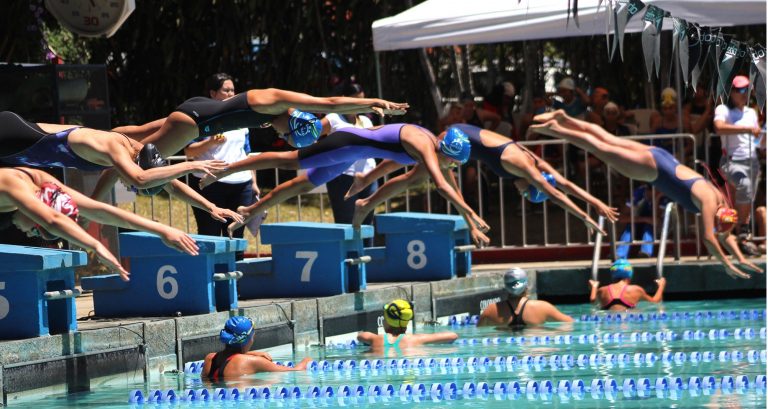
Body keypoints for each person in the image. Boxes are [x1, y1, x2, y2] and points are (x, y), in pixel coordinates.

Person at [530, 110, 762, 279]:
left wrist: (740, 260)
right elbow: (710, 239)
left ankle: (565, 118)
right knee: (599, 148)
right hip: (652, 170)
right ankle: (556, 129)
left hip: (662, 157)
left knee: (609, 140)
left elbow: (725, 235)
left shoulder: (720, 200)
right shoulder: (710, 202)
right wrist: (726, 265)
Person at [205, 123, 492, 247]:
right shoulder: (424, 145)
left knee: (301, 185)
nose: (452, 169)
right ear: (446, 154)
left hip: (354, 154)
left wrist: (367, 179)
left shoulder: (427, 145)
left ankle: (249, 210)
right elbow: (442, 186)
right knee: (291, 161)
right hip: (348, 142)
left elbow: (393, 162)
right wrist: (469, 216)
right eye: (453, 164)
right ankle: (225, 168)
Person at [346, 124, 615, 235]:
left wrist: (595, 203)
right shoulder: (519, 164)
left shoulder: (536, 165)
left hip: (463, 142)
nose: (521, 194)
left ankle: (366, 188)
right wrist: (584, 217)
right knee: (416, 174)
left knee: (414, 169)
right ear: (532, 185)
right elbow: (555, 193)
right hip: (458, 140)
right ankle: (366, 200)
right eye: (527, 194)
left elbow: (564, 185)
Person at [0, 111, 244, 225]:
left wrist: (211, 206)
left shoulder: (133, 154)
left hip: (17, 151)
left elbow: (171, 186)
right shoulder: (114, 147)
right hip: (13, 137)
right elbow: (140, 178)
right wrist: (192, 165)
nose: (127, 184)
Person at [0, 167, 201, 281]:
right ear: (38, 213)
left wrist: (161, 229)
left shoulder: (40, 181)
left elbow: (97, 210)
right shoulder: (14, 184)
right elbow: (53, 220)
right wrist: (96, 245)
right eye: (36, 228)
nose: (28, 233)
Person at [184, 73, 260, 239]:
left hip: (242, 184)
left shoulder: (242, 118)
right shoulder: (202, 117)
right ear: (212, 93)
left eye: (233, 90)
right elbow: (188, 151)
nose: (231, 94)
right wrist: (210, 142)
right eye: (226, 90)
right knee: (209, 233)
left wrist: (253, 182)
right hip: (209, 184)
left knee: (236, 234)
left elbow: (246, 153)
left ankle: (235, 265)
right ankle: (209, 266)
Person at [713, 75, 763, 257]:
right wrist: (747, 129)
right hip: (731, 161)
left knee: (745, 200)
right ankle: (743, 232)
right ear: (731, 92)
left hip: (752, 161)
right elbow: (718, 127)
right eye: (740, 90)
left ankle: (740, 238)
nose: (744, 94)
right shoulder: (723, 109)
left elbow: (757, 140)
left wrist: (762, 138)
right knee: (744, 187)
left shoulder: (751, 112)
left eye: (746, 90)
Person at [319, 82, 378, 229]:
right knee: (347, 224)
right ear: (344, 98)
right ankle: (349, 253)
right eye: (356, 100)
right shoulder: (333, 118)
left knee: (367, 224)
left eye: (363, 100)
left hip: (369, 177)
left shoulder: (366, 120)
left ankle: (367, 252)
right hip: (342, 178)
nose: (360, 105)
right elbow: (311, 136)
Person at [201, 316, 312, 379]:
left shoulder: (210, 358)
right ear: (248, 339)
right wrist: (307, 360)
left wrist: (252, 353)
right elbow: (296, 371)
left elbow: (230, 357)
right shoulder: (255, 362)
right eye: (253, 336)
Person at [477, 268, 573, 328]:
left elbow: (479, 334)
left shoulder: (490, 310)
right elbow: (570, 323)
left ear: (506, 287)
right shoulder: (543, 307)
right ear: (526, 286)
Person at [356, 300, 458, 355]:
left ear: (386, 320)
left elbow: (360, 336)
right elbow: (452, 336)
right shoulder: (415, 339)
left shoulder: (377, 339)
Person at [589, 259, 666, 311]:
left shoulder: (603, 290)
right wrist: (661, 286)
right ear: (630, 275)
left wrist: (594, 287)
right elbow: (655, 301)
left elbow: (593, 300)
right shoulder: (636, 290)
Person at [649, 87, 691, 154]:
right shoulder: (657, 123)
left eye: (671, 108)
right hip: (661, 156)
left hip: (678, 157)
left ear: (676, 107)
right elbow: (650, 142)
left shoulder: (684, 122)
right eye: (665, 109)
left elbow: (690, 146)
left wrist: (681, 154)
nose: (668, 111)